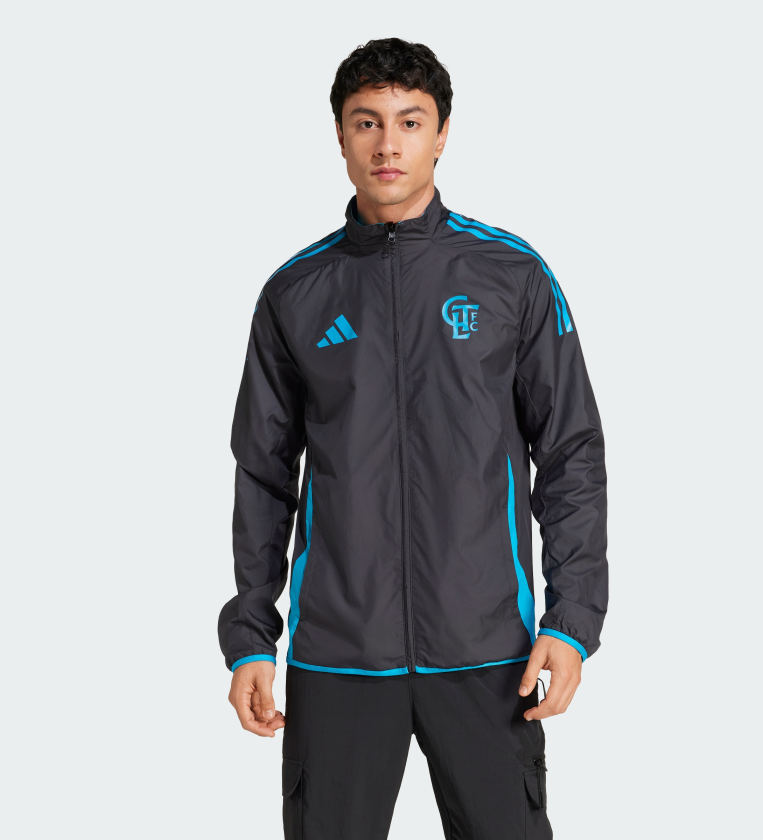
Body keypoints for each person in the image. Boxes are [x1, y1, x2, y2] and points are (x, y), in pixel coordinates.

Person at [218, 36, 608, 840]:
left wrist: (572, 620)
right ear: (339, 134)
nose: (387, 145)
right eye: (367, 122)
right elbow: (262, 474)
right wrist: (252, 637)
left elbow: (571, 453)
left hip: (488, 649)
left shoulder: (511, 274)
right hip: (338, 652)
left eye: (409, 121)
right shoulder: (295, 293)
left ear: (442, 133)